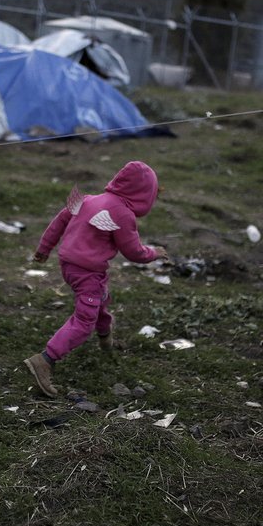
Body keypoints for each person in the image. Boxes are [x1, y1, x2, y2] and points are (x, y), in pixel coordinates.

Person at [23, 160, 168, 397]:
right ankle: (45, 359)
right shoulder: (123, 214)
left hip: (68, 264)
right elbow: (134, 252)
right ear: (144, 194)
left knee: (100, 298)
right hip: (86, 271)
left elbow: (60, 220)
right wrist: (155, 253)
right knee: (83, 321)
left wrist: (44, 248)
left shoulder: (89, 199)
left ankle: (106, 339)